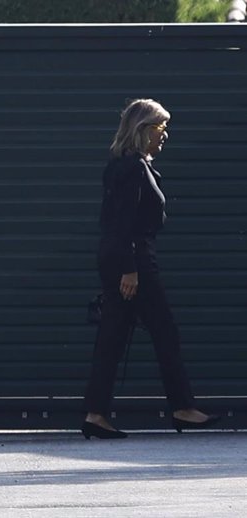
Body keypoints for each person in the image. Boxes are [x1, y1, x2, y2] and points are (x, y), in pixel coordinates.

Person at [81, 98, 220, 439]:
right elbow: (122, 223)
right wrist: (130, 269)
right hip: (134, 261)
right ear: (142, 130)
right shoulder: (133, 169)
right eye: (160, 128)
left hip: (121, 259)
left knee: (112, 337)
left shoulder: (124, 165)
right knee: (164, 332)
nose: (165, 135)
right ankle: (183, 408)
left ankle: (96, 414)